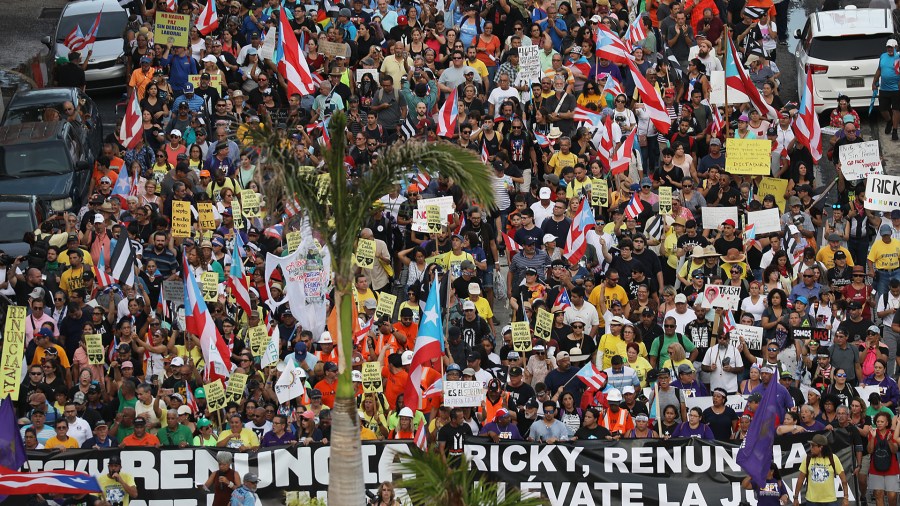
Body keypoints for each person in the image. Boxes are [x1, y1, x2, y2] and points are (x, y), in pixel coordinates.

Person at [793, 433, 850, 506]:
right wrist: (796, 498)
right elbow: (800, 480)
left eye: (813, 446)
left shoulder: (833, 458)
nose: (811, 447)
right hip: (811, 501)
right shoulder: (808, 459)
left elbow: (844, 480)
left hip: (830, 501)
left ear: (821, 447)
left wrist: (845, 498)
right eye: (811, 445)